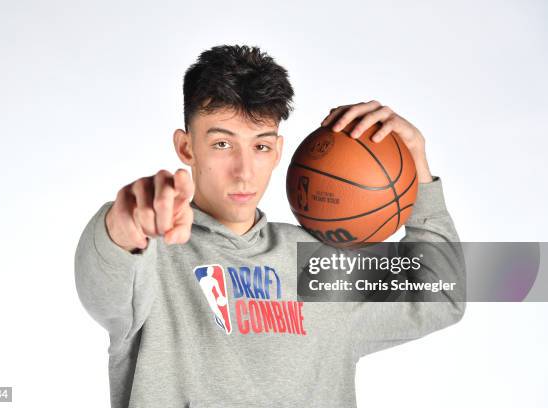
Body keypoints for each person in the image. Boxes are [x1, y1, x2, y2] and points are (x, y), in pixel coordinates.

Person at [74, 44, 465, 408]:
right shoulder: (151, 255)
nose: (244, 172)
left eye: (260, 146)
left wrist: (418, 166)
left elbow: (445, 298)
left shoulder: (317, 260)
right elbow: (105, 275)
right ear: (186, 148)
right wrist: (124, 224)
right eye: (223, 144)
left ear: (278, 151)